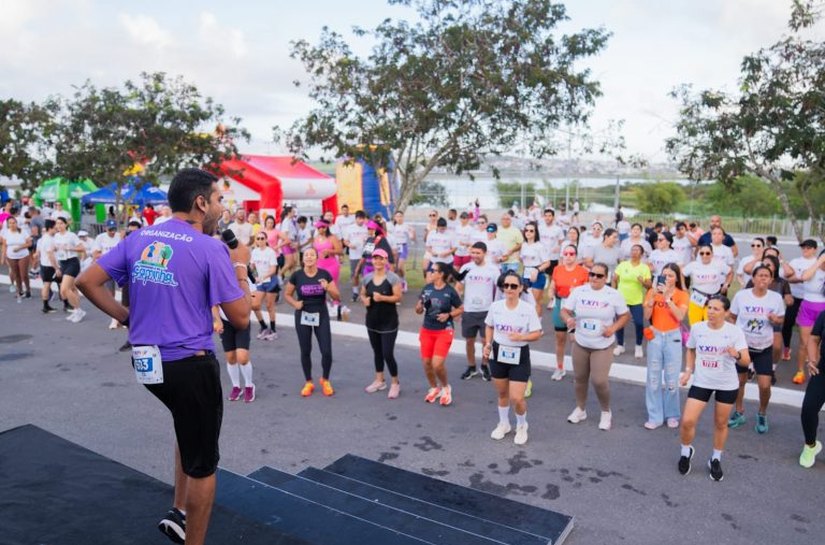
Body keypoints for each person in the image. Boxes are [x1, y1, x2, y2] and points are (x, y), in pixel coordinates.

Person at [77, 167, 251, 545]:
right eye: (219, 199)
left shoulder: (140, 237)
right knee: (204, 464)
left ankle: (179, 510)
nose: (222, 207)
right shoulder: (211, 248)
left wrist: (126, 317)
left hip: (148, 365)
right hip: (189, 364)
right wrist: (240, 266)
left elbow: (85, 281)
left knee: (186, 424)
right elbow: (240, 317)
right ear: (200, 202)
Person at [678, 295, 750, 481]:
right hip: (702, 381)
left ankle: (715, 459)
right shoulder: (698, 328)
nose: (710, 311)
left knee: (720, 423)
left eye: (716, 309)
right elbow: (691, 349)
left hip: (726, 384)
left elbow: (746, 360)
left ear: (726, 313)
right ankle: (686, 452)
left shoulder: (735, 332)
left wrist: (736, 355)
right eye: (709, 307)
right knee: (687, 421)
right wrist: (688, 371)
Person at [561, 262, 630, 430]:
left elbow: (625, 316)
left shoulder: (613, 294)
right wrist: (568, 320)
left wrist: (613, 328)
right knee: (580, 378)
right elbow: (565, 310)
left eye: (599, 275)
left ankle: (606, 412)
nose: (594, 278)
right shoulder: (579, 291)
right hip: (581, 342)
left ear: (606, 278)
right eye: (592, 274)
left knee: (599, 381)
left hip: (602, 345)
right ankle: (580, 409)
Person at [483, 270, 543, 445]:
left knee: (517, 397)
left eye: (513, 286)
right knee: (502, 393)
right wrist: (487, 344)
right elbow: (489, 326)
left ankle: (522, 425)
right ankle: (504, 424)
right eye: (505, 285)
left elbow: (537, 334)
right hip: (498, 353)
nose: (509, 288)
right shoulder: (496, 307)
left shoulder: (528, 309)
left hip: (519, 355)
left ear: (520, 288)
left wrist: (521, 337)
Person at [727, 265, 785, 434]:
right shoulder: (741, 296)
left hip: (763, 346)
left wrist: (775, 319)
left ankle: (762, 413)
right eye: (760, 275)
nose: (763, 278)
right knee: (740, 381)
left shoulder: (775, 298)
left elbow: (780, 319)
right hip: (743, 346)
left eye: (767, 276)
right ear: (753, 278)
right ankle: (739, 412)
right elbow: (732, 316)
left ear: (771, 280)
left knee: (765, 385)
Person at [284, 247, 341, 397]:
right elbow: (287, 294)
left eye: (312, 255)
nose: (309, 257)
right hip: (303, 315)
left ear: (317, 258)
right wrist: (295, 304)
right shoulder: (297, 275)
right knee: (305, 350)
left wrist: (327, 287)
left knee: (326, 351)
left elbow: (337, 296)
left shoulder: (324, 275)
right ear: (303, 259)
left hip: (321, 315)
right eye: (307, 255)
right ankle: (308, 381)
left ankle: (325, 379)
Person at [643, 263, 689, 429]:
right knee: (653, 378)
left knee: (671, 378)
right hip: (655, 335)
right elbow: (647, 315)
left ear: (677, 278)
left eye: (670, 275)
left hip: (673, 337)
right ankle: (654, 415)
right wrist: (652, 298)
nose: (667, 278)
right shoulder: (652, 292)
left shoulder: (682, 295)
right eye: (664, 275)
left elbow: (680, 316)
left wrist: (668, 299)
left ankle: (672, 414)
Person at [214, 229, 256, 403]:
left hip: (241, 317)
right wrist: (216, 319)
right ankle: (236, 386)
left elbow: (251, 297)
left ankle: (249, 385)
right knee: (230, 357)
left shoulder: (241, 269)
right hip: (224, 319)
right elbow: (212, 299)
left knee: (242, 357)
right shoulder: (215, 273)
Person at [415, 262, 463, 406]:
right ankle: (434, 388)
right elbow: (418, 309)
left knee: (437, 364)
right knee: (426, 362)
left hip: (444, 330)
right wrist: (418, 307)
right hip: (427, 329)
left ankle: (445, 387)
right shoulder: (427, 289)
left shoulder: (450, 291)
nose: (430, 272)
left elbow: (461, 309)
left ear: (441, 274)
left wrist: (448, 315)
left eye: (433, 270)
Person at [360, 248, 403, 399]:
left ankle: (395, 382)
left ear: (386, 261)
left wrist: (383, 298)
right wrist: (364, 299)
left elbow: (398, 297)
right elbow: (363, 293)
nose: (378, 261)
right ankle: (380, 380)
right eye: (375, 258)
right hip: (372, 321)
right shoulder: (367, 277)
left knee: (387, 353)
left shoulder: (393, 278)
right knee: (377, 352)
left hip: (388, 322)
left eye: (381, 259)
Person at [456, 242, 500, 381]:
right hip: (469, 311)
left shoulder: (493, 269)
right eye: (473, 253)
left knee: (485, 342)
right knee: (469, 341)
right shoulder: (466, 267)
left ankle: (485, 366)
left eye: (478, 253)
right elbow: (458, 287)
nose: (475, 255)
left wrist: (497, 309)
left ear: (485, 253)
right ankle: (471, 366)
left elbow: (499, 289)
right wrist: (458, 308)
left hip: (487, 311)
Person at [549, 245, 589, 381]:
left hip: (576, 307)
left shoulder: (583, 271)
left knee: (575, 339)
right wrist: (550, 293)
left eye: (571, 253)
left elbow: (587, 290)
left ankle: (579, 371)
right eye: (565, 253)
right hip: (560, 304)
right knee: (560, 338)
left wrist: (577, 291)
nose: (568, 256)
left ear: (576, 256)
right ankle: (559, 367)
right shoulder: (557, 269)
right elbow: (553, 285)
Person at [613, 244, 652, 358]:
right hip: (621, 298)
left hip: (636, 300)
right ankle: (620, 345)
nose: (634, 252)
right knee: (619, 323)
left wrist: (642, 282)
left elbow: (649, 285)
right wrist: (613, 291)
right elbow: (615, 279)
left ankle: (638, 346)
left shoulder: (644, 267)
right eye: (632, 249)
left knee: (639, 323)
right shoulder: (623, 264)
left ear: (641, 253)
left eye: (637, 250)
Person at [793, 250, 825, 385]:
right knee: (804, 343)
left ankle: (816, 370)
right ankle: (800, 371)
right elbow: (804, 277)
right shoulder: (813, 269)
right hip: (807, 308)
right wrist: (819, 261)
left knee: (819, 344)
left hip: (823, 311)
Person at [786, 240, 818, 369]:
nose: (805, 250)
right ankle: (787, 348)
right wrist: (802, 277)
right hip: (795, 297)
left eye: (808, 248)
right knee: (789, 322)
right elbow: (789, 278)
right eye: (803, 247)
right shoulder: (795, 262)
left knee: (813, 329)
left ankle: (810, 353)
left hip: (812, 300)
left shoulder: (817, 263)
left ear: (814, 250)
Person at [683, 244, 732, 326]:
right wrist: (684, 287)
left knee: (711, 324)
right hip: (697, 298)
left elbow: (730, 272)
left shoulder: (719, 264)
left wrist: (726, 284)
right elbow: (682, 273)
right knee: (695, 325)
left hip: (713, 299)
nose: (704, 255)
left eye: (707, 253)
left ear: (712, 254)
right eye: (702, 253)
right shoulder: (693, 265)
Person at [800, 309, 825, 467]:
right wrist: (812, 360)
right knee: (808, 409)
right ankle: (811, 446)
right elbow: (814, 338)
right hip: (823, 370)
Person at [53, 217, 86, 322]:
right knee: (72, 289)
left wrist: (70, 248)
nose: (59, 226)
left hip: (72, 262)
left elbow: (82, 248)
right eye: (57, 224)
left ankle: (78, 310)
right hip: (63, 262)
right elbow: (56, 249)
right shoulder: (56, 236)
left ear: (66, 224)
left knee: (64, 289)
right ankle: (77, 311)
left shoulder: (71, 235)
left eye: (61, 223)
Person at [93, 219, 123, 329]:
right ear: (105, 228)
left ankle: (124, 318)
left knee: (125, 295)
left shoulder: (120, 236)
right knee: (110, 295)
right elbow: (96, 254)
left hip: (120, 268)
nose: (112, 232)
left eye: (114, 229)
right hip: (107, 267)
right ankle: (114, 319)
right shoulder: (100, 238)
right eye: (110, 230)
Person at [250, 231, 280, 340]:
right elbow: (252, 266)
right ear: (256, 241)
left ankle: (273, 330)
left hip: (271, 282)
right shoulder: (254, 252)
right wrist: (254, 276)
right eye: (258, 238)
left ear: (266, 240)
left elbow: (273, 269)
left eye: (262, 238)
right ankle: (263, 327)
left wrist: (263, 277)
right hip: (260, 282)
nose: (260, 240)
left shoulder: (270, 252)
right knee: (254, 305)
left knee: (269, 306)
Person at [313, 219, 345, 319]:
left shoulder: (332, 238)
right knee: (320, 285)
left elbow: (340, 251)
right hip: (319, 264)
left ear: (325, 228)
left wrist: (330, 251)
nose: (319, 229)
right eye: (318, 228)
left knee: (332, 285)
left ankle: (336, 304)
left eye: (321, 227)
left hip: (331, 265)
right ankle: (325, 304)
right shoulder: (316, 238)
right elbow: (315, 250)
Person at [519, 221, 551, 316]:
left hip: (537, 274)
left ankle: (538, 327)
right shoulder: (524, 245)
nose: (528, 232)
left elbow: (547, 263)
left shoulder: (539, 246)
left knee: (535, 302)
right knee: (525, 301)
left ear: (535, 233)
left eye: (531, 231)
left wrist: (537, 270)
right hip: (526, 274)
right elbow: (523, 260)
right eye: (526, 230)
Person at [1, 216, 32, 301]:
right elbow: (4, 245)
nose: (12, 224)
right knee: (16, 274)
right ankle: (20, 291)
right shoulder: (5, 233)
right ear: (7, 224)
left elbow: (29, 243)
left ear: (16, 223)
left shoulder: (22, 231)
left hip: (23, 255)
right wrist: (3, 257)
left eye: (14, 223)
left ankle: (28, 290)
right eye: (10, 223)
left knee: (24, 274)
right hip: (11, 256)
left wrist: (20, 247)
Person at [33, 219, 59, 313]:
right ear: (50, 228)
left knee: (46, 285)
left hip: (44, 264)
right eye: (55, 228)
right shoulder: (48, 239)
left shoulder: (42, 239)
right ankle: (65, 303)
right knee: (49, 285)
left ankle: (46, 305)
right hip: (50, 265)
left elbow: (38, 252)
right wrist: (56, 268)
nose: (57, 229)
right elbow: (50, 255)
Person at [343, 210, 368, 302]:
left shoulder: (367, 228)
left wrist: (367, 253)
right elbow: (345, 241)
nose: (361, 221)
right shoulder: (350, 228)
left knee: (366, 275)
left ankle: (365, 292)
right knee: (355, 274)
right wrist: (349, 245)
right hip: (354, 256)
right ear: (356, 219)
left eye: (363, 219)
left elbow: (371, 242)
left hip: (365, 256)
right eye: (359, 219)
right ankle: (355, 293)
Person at [387, 210, 415, 292]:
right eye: (397, 216)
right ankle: (397, 285)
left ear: (403, 217)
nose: (399, 218)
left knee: (399, 267)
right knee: (395, 268)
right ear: (394, 217)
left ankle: (403, 281)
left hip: (403, 247)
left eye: (400, 216)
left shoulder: (406, 226)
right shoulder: (392, 226)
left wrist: (412, 234)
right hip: (394, 248)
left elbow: (412, 238)